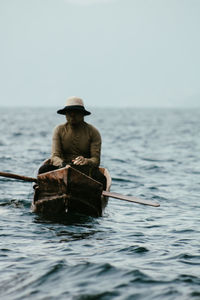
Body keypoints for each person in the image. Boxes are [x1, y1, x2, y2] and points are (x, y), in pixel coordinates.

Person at [38, 96, 106, 189]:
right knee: (43, 170)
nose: (72, 115)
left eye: (76, 112)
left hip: (84, 170)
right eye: (69, 112)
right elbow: (55, 156)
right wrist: (63, 165)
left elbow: (96, 160)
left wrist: (86, 161)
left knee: (102, 178)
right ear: (65, 114)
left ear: (82, 114)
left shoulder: (93, 132)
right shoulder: (59, 130)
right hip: (62, 169)